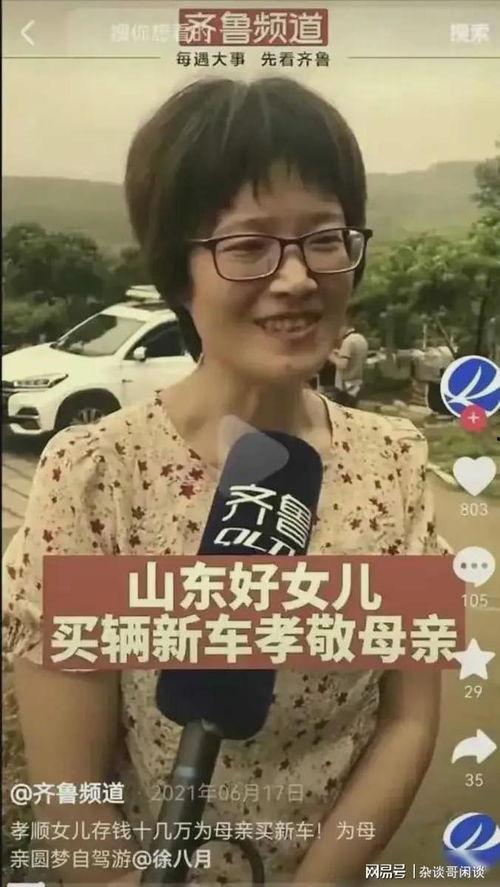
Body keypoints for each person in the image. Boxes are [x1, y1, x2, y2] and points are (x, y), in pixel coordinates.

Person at [3, 77, 448, 887]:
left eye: (324, 238)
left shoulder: (396, 463)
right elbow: (71, 790)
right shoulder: (96, 474)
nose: (297, 277)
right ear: (180, 272)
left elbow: (408, 721)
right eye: (248, 245)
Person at [320, 309, 369, 408]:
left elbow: (342, 365)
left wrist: (329, 355)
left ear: (343, 327)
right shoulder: (360, 338)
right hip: (357, 384)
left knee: (341, 413)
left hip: (346, 387)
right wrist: (337, 353)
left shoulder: (348, 342)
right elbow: (354, 357)